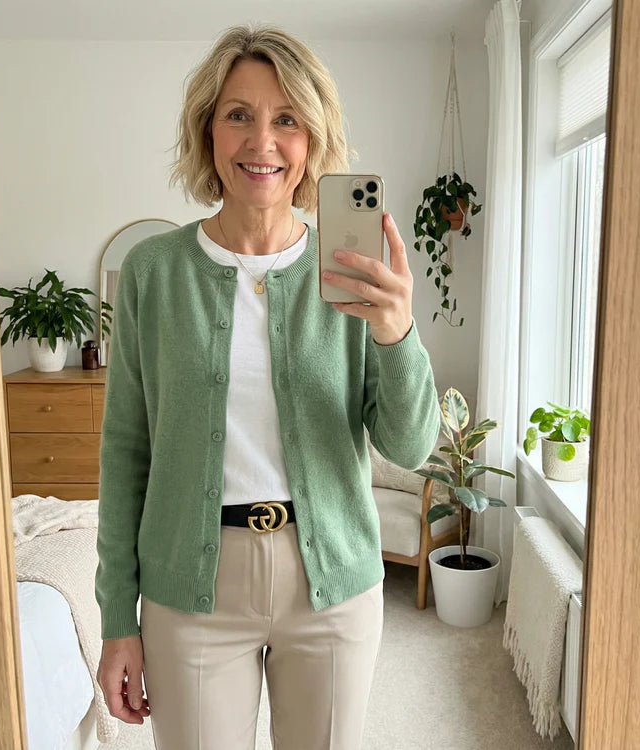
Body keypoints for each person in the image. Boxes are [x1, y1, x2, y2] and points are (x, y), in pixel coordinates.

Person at [94, 23, 440, 750]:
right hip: (190, 589)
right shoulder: (153, 272)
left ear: (312, 140)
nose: (262, 142)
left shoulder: (353, 276)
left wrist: (398, 332)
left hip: (331, 586)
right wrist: (118, 620)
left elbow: (410, 446)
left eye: (287, 119)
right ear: (208, 130)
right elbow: (126, 453)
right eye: (239, 115)